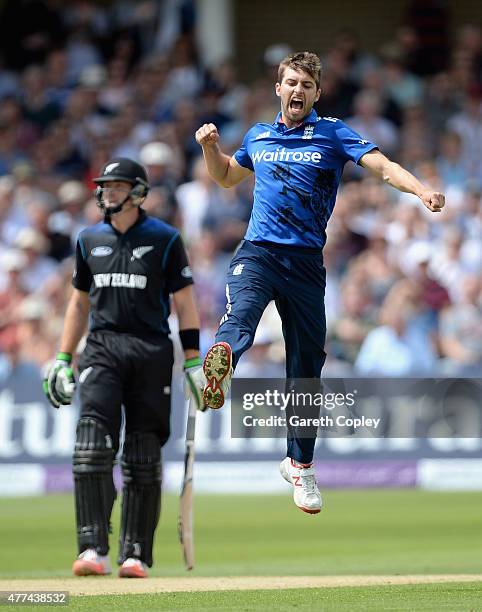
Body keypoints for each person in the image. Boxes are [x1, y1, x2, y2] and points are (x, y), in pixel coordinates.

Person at [193, 51, 445, 515]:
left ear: (316, 93)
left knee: (306, 367)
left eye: (306, 85)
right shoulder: (258, 135)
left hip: (306, 263)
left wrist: (421, 191)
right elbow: (227, 177)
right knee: (241, 318)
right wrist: (211, 148)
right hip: (259, 252)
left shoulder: (332, 133)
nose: (297, 91)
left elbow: (384, 168)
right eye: (290, 83)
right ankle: (220, 361)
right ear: (278, 88)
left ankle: (301, 465)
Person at [43, 157, 203, 578]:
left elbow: (185, 302)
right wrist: (63, 357)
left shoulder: (166, 239)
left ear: (138, 193)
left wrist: (193, 361)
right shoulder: (88, 239)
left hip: (151, 350)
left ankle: (134, 554)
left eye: (116, 186)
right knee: (92, 445)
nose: (106, 193)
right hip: (101, 348)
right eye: (104, 186)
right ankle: (91, 548)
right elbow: (79, 303)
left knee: (143, 454)